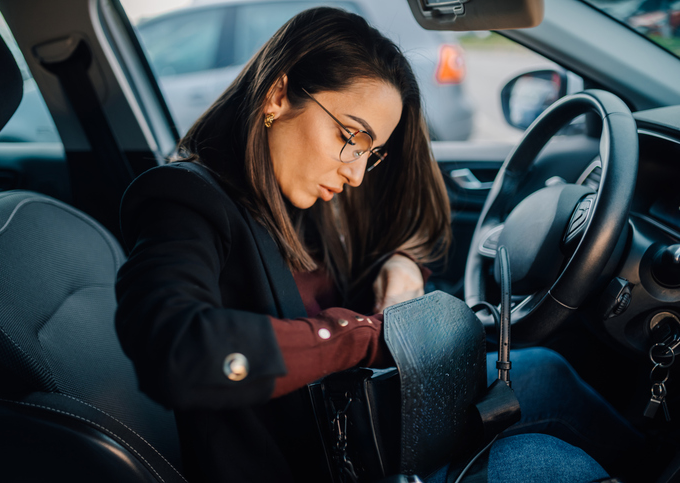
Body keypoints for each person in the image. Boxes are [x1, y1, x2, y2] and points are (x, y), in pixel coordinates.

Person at [115, 7, 632, 482]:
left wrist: (402, 265)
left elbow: (412, 226)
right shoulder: (183, 200)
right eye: (351, 136)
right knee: (543, 465)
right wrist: (362, 336)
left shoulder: (297, 199)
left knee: (547, 370)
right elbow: (176, 349)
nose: (357, 173)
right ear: (277, 96)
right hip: (318, 461)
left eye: (372, 153)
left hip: (365, 425)